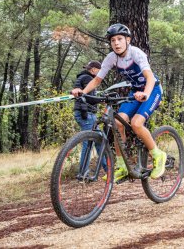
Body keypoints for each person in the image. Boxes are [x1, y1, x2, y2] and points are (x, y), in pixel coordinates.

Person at [71, 23, 166, 181]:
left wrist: (146, 94)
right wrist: (82, 91)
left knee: (136, 123)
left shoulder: (136, 53)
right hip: (135, 91)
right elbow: (97, 80)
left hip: (152, 89)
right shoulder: (111, 58)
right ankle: (122, 165)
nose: (116, 43)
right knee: (118, 122)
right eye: (113, 40)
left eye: (120, 39)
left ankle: (158, 155)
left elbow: (149, 77)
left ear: (127, 40)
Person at [73, 61, 107, 174]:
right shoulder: (88, 79)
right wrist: (103, 100)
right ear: (93, 70)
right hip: (86, 113)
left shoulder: (81, 78)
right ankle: (83, 172)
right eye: (99, 71)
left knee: (99, 140)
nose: (100, 74)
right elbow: (89, 98)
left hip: (83, 112)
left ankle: (108, 168)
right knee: (88, 142)